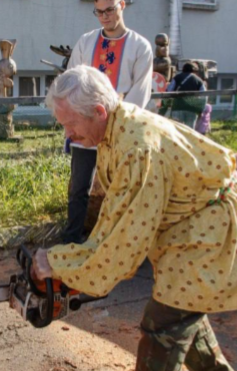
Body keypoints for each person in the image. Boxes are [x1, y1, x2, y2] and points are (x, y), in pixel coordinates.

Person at [34, 66, 237, 371]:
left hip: (210, 218)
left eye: (71, 125)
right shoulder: (114, 131)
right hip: (189, 217)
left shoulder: (137, 146)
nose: (68, 134)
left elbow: (123, 243)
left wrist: (60, 263)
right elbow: (116, 216)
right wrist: (68, 260)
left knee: (166, 319)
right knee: (183, 303)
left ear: (98, 111)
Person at [62, 0, 153, 245]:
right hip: (86, 126)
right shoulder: (86, 42)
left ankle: (120, 242)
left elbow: (140, 93)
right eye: (99, 12)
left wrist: (117, 122)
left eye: (110, 10)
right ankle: (72, 240)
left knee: (121, 189)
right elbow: (73, 80)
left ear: (122, 4)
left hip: (119, 130)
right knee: (79, 187)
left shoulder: (140, 46)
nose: (104, 16)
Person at [167, 62, 206, 128]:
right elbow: (204, 96)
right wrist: (201, 110)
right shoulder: (199, 80)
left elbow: (169, 91)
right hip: (192, 108)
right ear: (194, 70)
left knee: (177, 129)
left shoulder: (177, 78)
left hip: (178, 106)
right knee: (189, 131)